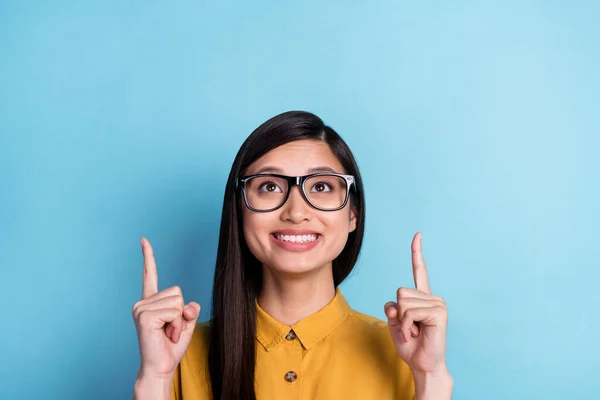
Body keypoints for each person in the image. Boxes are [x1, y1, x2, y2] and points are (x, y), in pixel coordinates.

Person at [132, 111, 453, 400]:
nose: (296, 212)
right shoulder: (178, 353)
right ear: (240, 211)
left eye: (322, 187)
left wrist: (431, 378)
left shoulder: (406, 356)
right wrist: (155, 378)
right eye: (269, 186)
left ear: (353, 213)